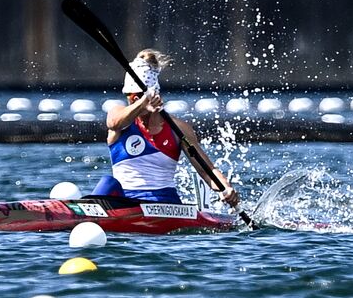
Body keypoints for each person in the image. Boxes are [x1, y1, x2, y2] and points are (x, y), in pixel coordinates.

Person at [90, 49, 240, 207]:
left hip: (163, 202)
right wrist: (143, 102)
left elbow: (206, 170)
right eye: (131, 99)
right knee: (106, 183)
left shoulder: (178, 129)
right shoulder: (118, 116)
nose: (130, 102)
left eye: (133, 98)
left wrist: (226, 188)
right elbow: (114, 123)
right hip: (124, 202)